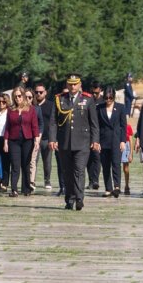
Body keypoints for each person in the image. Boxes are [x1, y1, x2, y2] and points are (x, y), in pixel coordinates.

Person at [49, 73, 100, 211]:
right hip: (64, 142)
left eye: (75, 84)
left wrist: (95, 140)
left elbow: (94, 123)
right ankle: (69, 199)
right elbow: (53, 121)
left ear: (80, 85)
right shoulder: (60, 99)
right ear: (67, 84)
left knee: (79, 170)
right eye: (70, 84)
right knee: (67, 172)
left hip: (82, 143)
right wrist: (52, 139)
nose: (72, 86)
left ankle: (79, 198)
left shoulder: (88, 100)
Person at [3, 86, 39, 197]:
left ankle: (26, 188)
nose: (18, 98)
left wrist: (36, 140)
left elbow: (35, 126)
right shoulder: (10, 109)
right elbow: (7, 127)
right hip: (14, 140)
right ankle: (14, 189)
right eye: (15, 96)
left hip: (27, 139)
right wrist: (5, 141)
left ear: (23, 96)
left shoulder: (31, 109)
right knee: (15, 165)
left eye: (19, 96)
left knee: (26, 164)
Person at [97, 86, 127, 198]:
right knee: (105, 166)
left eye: (110, 98)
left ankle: (117, 187)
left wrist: (123, 141)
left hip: (116, 140)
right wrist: (97, 141)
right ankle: (108, 188)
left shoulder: (120, 108)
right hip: (103, 140)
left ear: (114, 97)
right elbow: (97, 126)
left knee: (116, 164)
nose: (108, 100)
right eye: (106, 98)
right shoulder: (99, 108)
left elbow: (123, 126)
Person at [33, 82, 55, 190]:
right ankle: (32, 181)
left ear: (45, 93)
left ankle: (47, 180)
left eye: (40, 92)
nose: (38, 94)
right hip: (34, 138)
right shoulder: (32, 105)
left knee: (47, 162)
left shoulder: (51, 105)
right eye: (36, 92)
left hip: (47, 138)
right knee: (33, 161)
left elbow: (53, 123)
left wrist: (53, 138)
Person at [86, 81, 104, 190]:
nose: (94, 95)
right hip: (88, 133)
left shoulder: (103, 102)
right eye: (93, 92)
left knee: (97, 157)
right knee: (88, 158)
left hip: (99, 133)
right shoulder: (88, 100)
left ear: (100, 91)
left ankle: (95, 180)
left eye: (96, 93)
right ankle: (91, 180)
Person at [122, 122, 134, 195]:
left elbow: (131, 140)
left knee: (126, 168)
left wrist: (131, 153)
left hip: (126, 146)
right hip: (116, 144)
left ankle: (127, 185)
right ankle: (117, 186)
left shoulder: (128, 126)